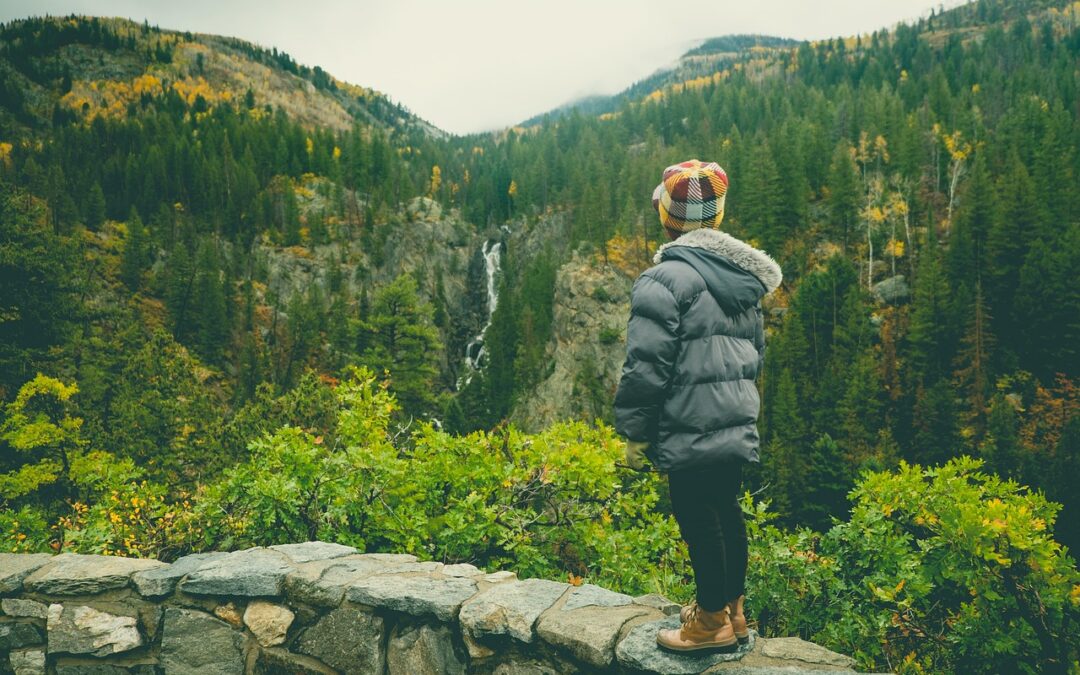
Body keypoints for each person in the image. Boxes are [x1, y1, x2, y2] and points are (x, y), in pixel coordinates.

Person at [613, 159, 782, 653]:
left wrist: (636, 434)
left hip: (688, 420)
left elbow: (645, 366)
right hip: (734, 415)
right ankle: (734, 612)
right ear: (718, 218)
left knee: (696, 513)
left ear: (667, 218)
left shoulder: (664, 279)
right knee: (725, 509)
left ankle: (709, 623)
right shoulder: (742, 282)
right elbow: (755, 357)